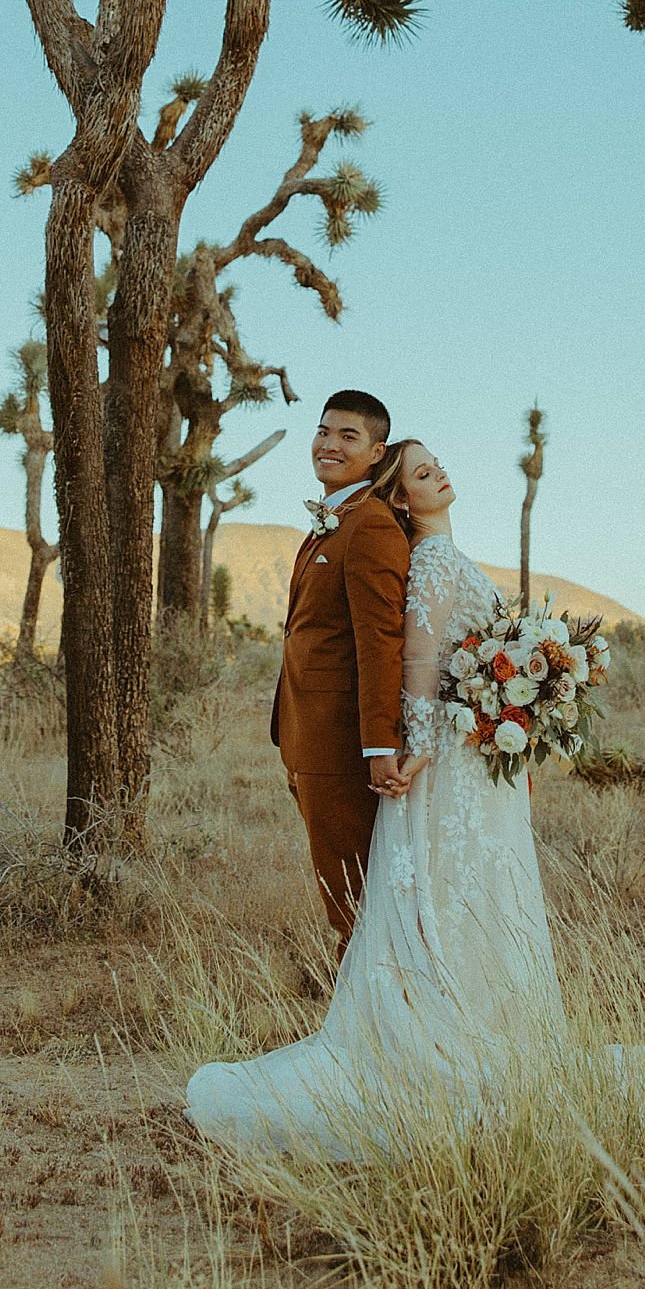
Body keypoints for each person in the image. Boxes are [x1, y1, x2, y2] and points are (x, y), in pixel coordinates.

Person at [186, 438, 645, 1159]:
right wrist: (428, 744)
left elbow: (468, 663)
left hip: (477, 762)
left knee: (482, 891)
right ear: (402, 498)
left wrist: (518, 716)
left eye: (439, 464)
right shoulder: (431, 561)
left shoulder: (450, 556)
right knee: (449, 887)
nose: (441, 473)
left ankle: (489, 1022)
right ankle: (445, 1032)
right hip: (450, 766)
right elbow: (421, 663)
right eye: (423, 473)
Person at [267, 390, 410, 953]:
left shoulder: (369, 526)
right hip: (308, 734)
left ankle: (380, 1017)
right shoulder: (334, 520)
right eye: (323, 432)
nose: (329, 444)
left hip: (342, 741)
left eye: (348, 437)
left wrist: (379, 746)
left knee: (351, 891)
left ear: (376, 452)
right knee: (340, 885)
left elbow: (380, 642)